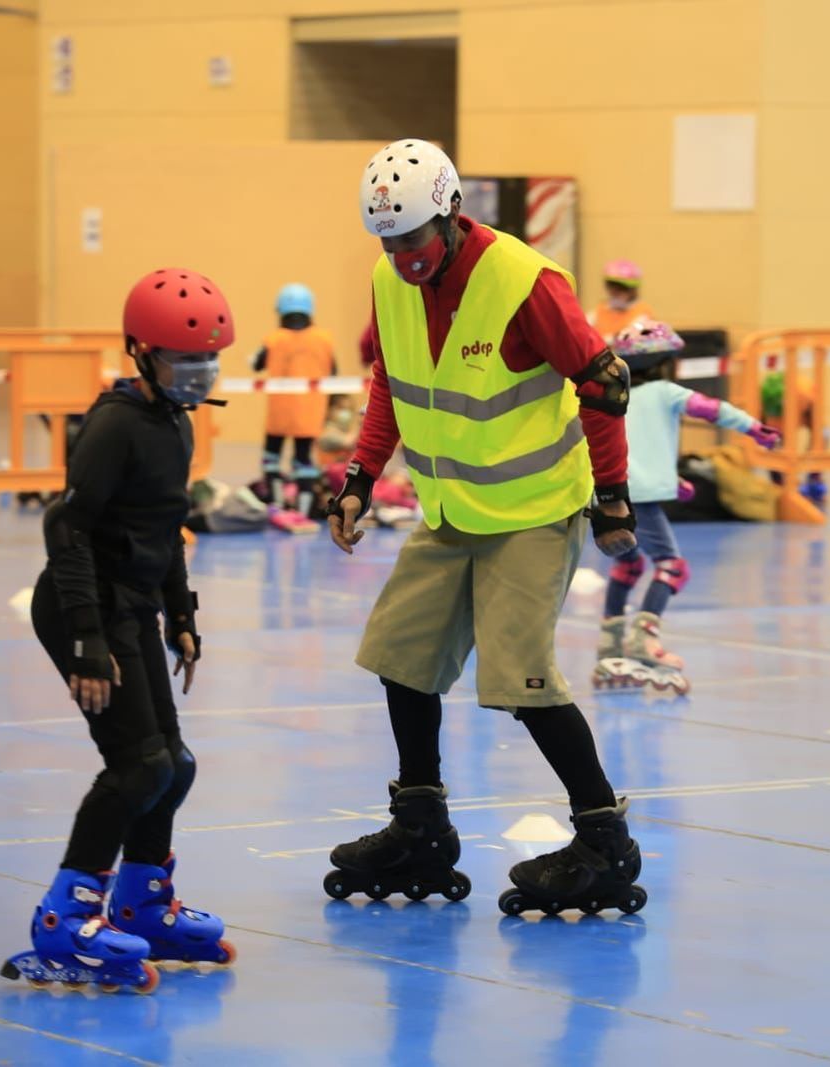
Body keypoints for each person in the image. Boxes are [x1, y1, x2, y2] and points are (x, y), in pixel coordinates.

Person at [321, 138, 649, 918]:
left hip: (534, 511)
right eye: (388, 242)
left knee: (519, 676)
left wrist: (612, 498)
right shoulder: (389, 279)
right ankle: (420, 827)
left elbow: (604, 381)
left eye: (414, 239)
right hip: (452, 508)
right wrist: (360, 479)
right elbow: (391, 381)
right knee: (401, 655)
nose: (403, 258)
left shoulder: (522, 283)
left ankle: (604, 838)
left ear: (452, 215)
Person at [1, 268, 236, 994]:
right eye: (184, 360)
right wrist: (87, 641)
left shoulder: (175, 419)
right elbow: (65, 525)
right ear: (141, 352)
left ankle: (142, 902)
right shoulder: (115, 424)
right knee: (140, 765)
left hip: (133, 604)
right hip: (85, 606)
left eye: (209, 360)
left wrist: (183, 616)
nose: (199, 374)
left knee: (176, 763)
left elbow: (164, 528)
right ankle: (62, 923)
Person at [594, 321, 780, 695]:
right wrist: (754, 428)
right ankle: (643, 639)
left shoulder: (615, 393)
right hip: (640, 496)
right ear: (667, 365)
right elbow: (712, 409)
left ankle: (610, 639)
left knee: (629, 564)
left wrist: (670, 481)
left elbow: (633, 446)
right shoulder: (666, 392)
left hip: (608, 493)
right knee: (671, 566)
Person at [251, 283, 336, 533]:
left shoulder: (274, 339)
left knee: (272, 459)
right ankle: (303, 508)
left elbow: (257, 364)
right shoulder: (324, 339)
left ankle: (277, 503)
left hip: (279, 412)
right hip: (310, 413)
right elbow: (334, 373)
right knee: (304, 460)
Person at [586, 259, 655, 342]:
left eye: (621, 289)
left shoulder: (642, 313)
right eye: (611, 287)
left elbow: (629, 335)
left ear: (632, 290)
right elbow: (584, 327)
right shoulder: (600, 310)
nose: (614, 292)